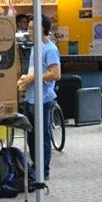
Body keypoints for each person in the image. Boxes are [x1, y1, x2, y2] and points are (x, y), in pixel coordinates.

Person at [17, 15, 61, 180]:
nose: (28, 32)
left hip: (43, 100)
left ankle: (44, 170)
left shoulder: (49, 49)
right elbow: (35, 71)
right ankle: (36, 166)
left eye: (31, 28)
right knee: (31, 135)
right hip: (31, 98)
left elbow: (56, 74)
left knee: (42, 136)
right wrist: (26, 79)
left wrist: (33, 78)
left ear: (42, 29)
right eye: (28, 28)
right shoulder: (35, 47)